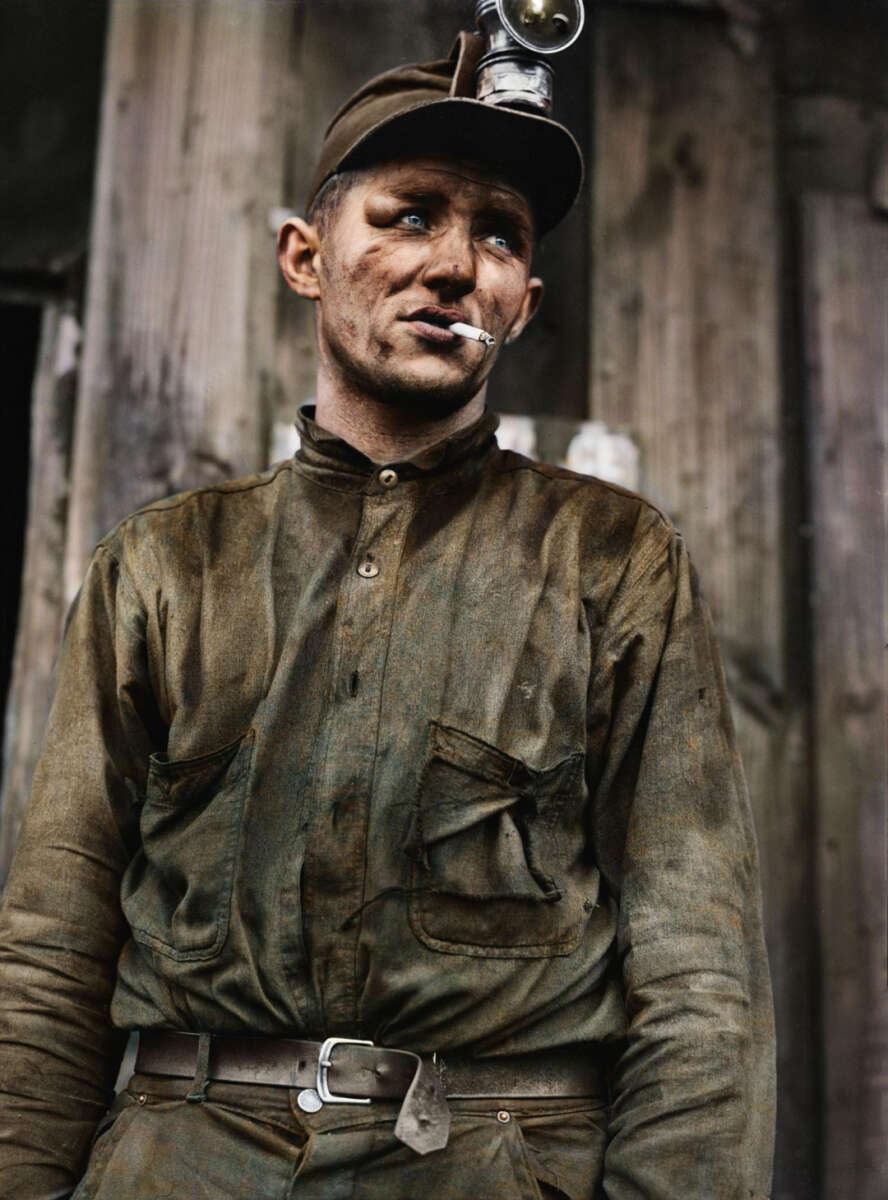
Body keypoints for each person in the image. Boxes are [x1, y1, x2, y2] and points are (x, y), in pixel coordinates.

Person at [0, 32, 775, 1200]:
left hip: (498, 1163)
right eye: (408, 215)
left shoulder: (617, 562)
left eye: (499, 236)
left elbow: (699, 975)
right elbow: (53, 955)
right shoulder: (159, 568)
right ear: (306, 257)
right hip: (183, 1161)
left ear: (525, 302)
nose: (455, 263)